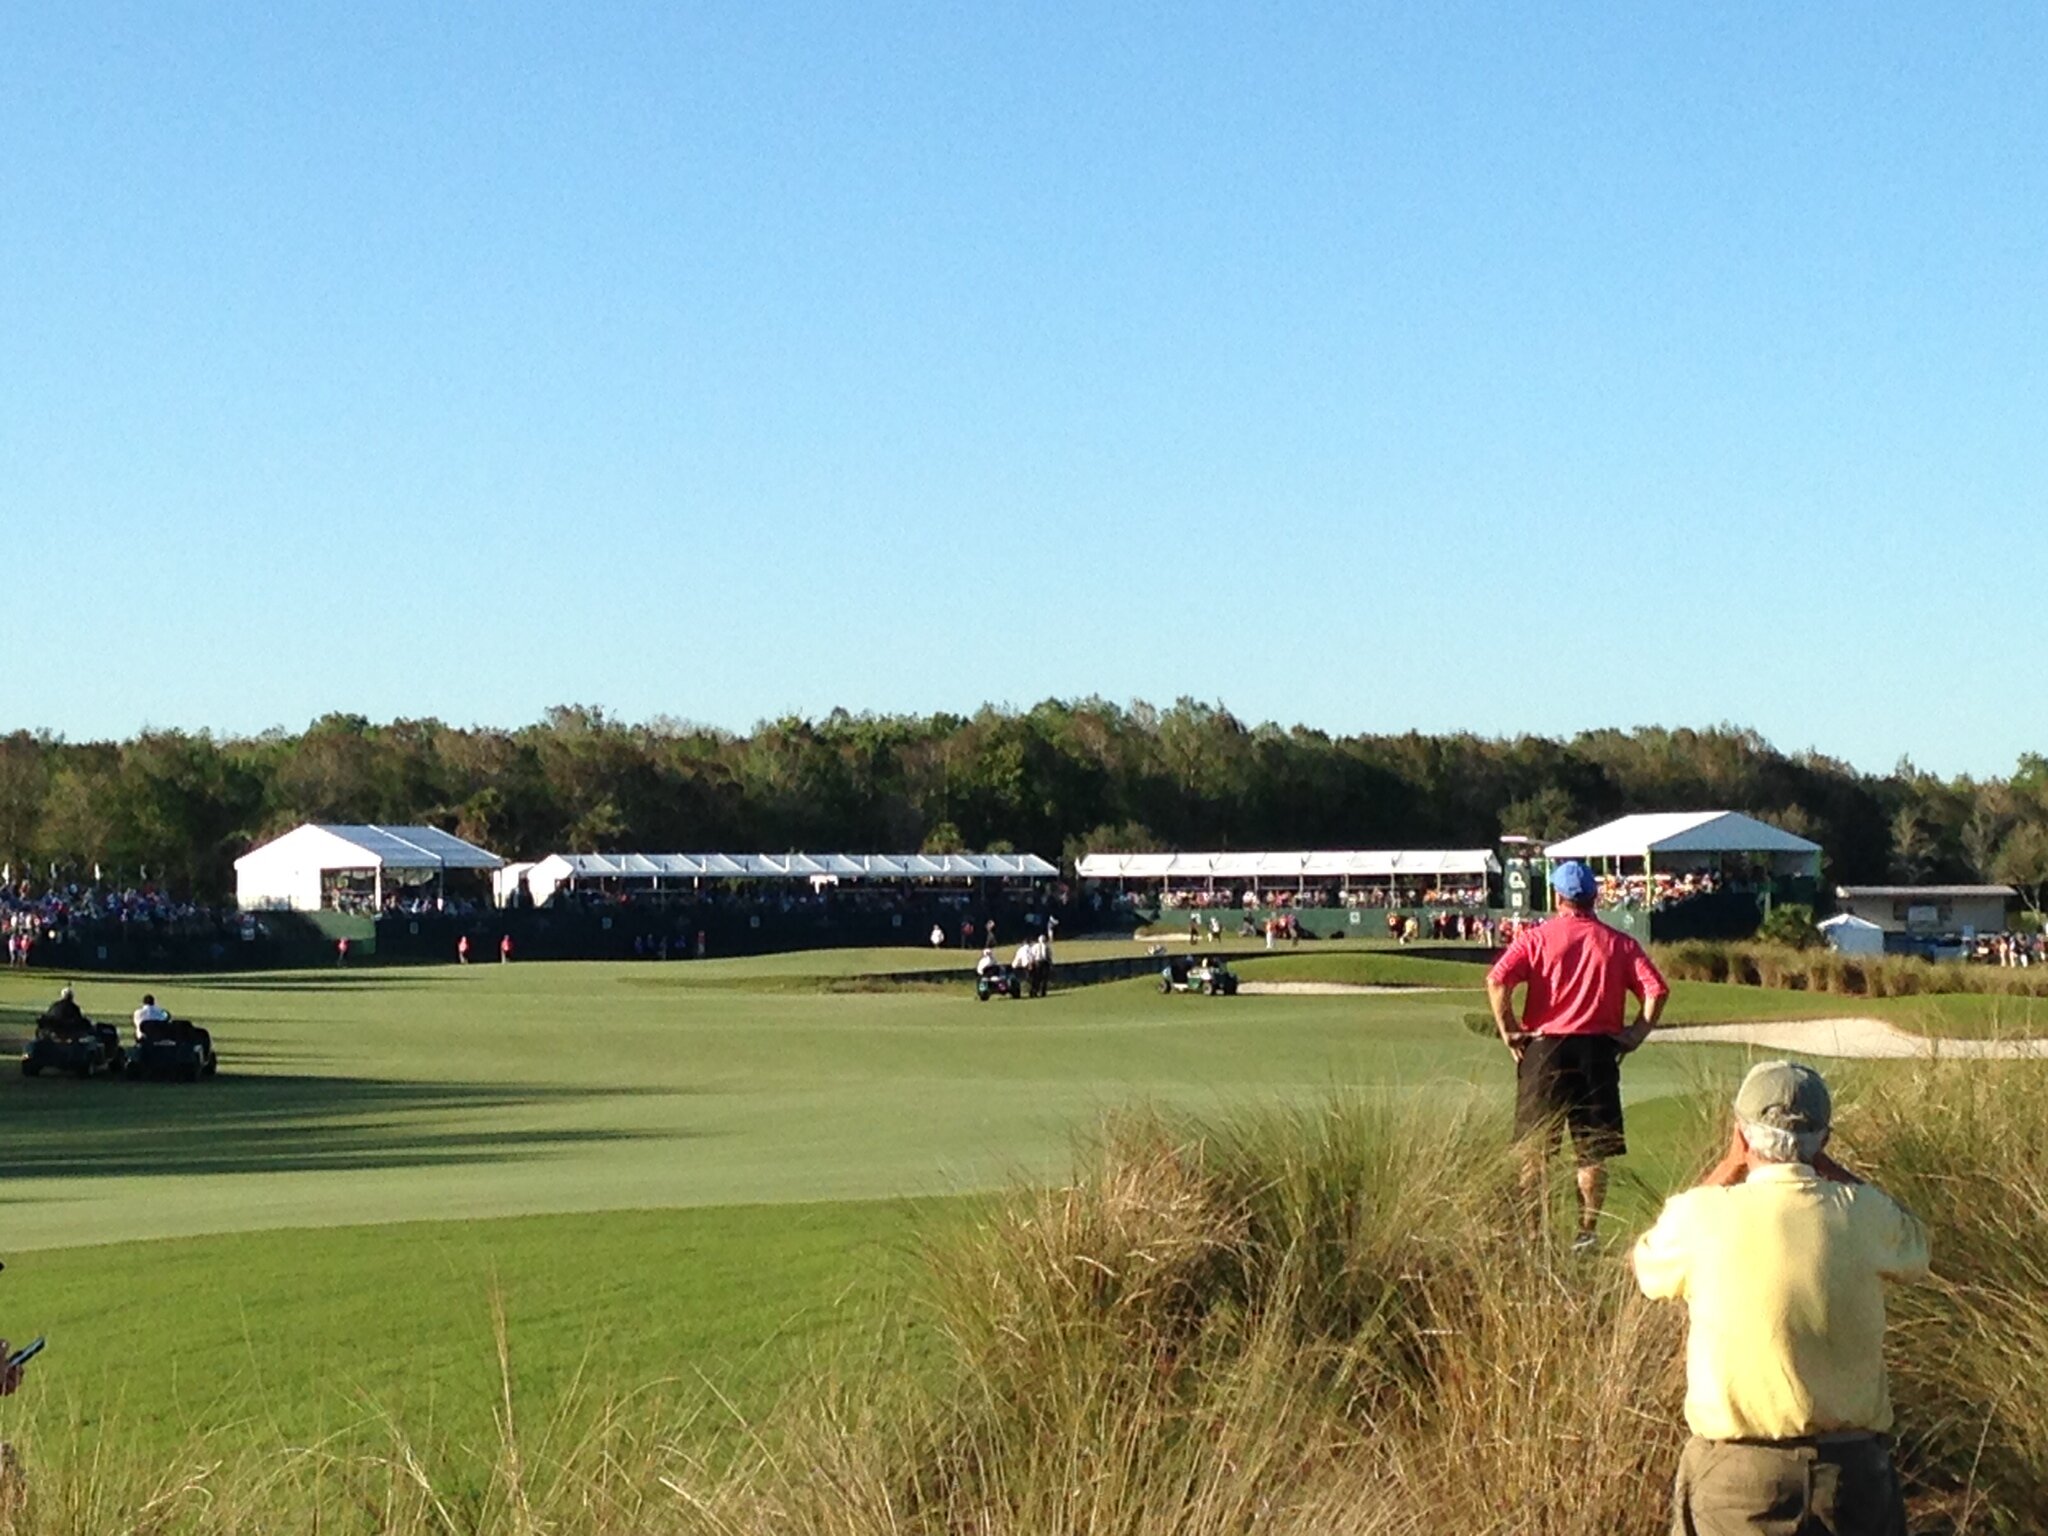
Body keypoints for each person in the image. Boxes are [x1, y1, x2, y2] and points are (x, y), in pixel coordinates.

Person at [1633, 1062, 1929, 1535]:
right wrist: (1829, 1170)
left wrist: (1729, 1165)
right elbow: (1917, 1246)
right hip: (1851, 1473)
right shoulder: (1865, 1214)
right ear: (1824, 1141)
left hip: (1737, 1475)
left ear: (1742, 1136)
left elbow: (1648, 1267)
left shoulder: (1700, 1215)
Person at [1485, 860, 1668, 1250]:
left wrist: (1509, 1029)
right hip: (1597, 1052)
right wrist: (1635, 1034)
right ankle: (1586, 1233)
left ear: (1557, 896)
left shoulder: (1536, 938)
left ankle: (1533, 1234)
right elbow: (1656, 991)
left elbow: (1498, 980)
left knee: (1536, 1151)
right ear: (1594, 897)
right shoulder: (1619, 943)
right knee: (1591, 1152)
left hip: (1545, 1048)